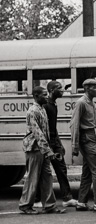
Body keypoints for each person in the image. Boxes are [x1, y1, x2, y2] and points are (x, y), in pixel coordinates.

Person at [19, 86, 66, 214]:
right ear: (36, 96)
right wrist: (48, 150)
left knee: (47, 176)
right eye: (44, 95)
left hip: (42, 149)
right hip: (34, 148)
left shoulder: (42, 109)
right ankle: (25, 205)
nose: (46, 96)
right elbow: (38, 133)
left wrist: (49, 148)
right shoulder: (33, 111)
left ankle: (50, 205)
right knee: (33, 177)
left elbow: (46, 132)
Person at [33, 81, 78, 208]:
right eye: (59, 88)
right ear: (52, 90)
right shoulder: (46, 105)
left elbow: (53, 127)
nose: (63, 90)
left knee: (61, 169)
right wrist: (45, 146)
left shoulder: (53, 104)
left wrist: (58, 143)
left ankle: (67, 197)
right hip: (46, 142)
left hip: (54, 141)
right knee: (42, 171)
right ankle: (36, 199)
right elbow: (42, 127)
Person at [70, 79, 96, 213]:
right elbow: (74, 124)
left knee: (87, 172)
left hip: (90, 136)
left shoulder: (90, 102)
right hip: (86, 138)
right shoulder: (81, 103)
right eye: (95, 88)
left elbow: (95, 122)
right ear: (87, 88)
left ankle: (82, 202)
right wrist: (75, 145)